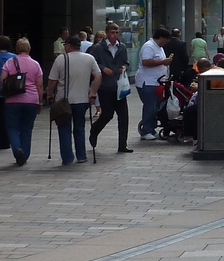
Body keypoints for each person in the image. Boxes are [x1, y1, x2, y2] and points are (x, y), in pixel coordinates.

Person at [46, 35, 101, 165]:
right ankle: (81, 156)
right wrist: (92, 92)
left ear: (69, 46)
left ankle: (67, 157)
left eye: (65, 45)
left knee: (64, 129)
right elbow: (98, 76)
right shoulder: (89, 58)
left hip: (64, 101)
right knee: (79, 128)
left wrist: (49, 94)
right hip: (82, 100)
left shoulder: (61, 59)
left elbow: (52, 81)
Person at [87, 22, 134, 154]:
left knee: (123, 116)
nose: (114, 35)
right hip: (105, 86)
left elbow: (126, 62)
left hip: (119, 86)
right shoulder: (98, 48)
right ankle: (94, 130)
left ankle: (122, 145)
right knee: (107, 114)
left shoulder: (122, 47)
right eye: (112, 33)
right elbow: (92, 63)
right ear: (107, 33)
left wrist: (124, 67)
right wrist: (102, 68)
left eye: (116, 33)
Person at [0, 37, 44, 166]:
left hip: (12, 100)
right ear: (29, 49)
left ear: (17, 49)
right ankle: (24, 155)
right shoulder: (35, 64)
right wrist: (40, 102)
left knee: (12, 127)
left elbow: (2, 79)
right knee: (26, 129)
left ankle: (17, 148)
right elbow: (39, 85)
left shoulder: (9, 62)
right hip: (31, 100)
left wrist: (6, 91)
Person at [131, 27, 173, 141]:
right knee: (150, 107)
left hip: (157, 81)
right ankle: (146, 130)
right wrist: (162, 62)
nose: (167, 42)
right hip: (148, 82)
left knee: (155, 107)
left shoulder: (159, 48)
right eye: (166, 39)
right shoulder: (149, 46)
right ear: (162, 38)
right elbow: (146, 61)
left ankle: (152, 128)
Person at [0, 35, 18, 152]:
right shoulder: (14, 57)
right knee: (10, 116)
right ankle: (11, 139)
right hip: (10, 89)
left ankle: (1, 141)